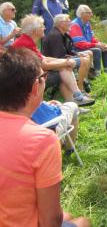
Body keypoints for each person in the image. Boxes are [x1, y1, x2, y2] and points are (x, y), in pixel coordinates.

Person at [0, 47, 91, 227]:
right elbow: (50, 222)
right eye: (44, 77)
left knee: (68, 214)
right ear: (35, 86)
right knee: (83, 221)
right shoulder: (42, 140)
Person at [11, 14, 94, 106]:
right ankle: (76, 98)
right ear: (35, 30)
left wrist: (65, 62)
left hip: (27, 75)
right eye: (42, 26)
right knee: (62, 70)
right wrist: (65, 62)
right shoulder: (25, 43)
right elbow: (43, 65)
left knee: (63, 68)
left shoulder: (27, 40)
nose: (45, 28)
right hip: (23, 80)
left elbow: (43, 58)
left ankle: (73, 102)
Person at [43, 14, 92, 92]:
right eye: (68, 21)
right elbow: (59, 56)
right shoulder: (55, 36)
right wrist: (76, 57)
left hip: (60, 59)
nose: (71, 23)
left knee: (88, 54)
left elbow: (67, 50)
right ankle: (80, 88)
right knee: (84, 60)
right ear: (61, 23)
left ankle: (83, 80)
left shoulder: (63, 34)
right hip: (53, 63)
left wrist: (77, 54)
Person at [69, 5, 107, 76]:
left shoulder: (87, 23)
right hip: (76, 49)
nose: (91, 14)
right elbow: (79, 44)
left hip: (86, 46)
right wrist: (95, 45)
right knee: (97, 50)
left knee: (106, 47)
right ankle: (97, 73)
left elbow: (91, 38)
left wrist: (99, 43)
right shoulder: (74, 25)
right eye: (89, 13)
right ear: (82, 14)